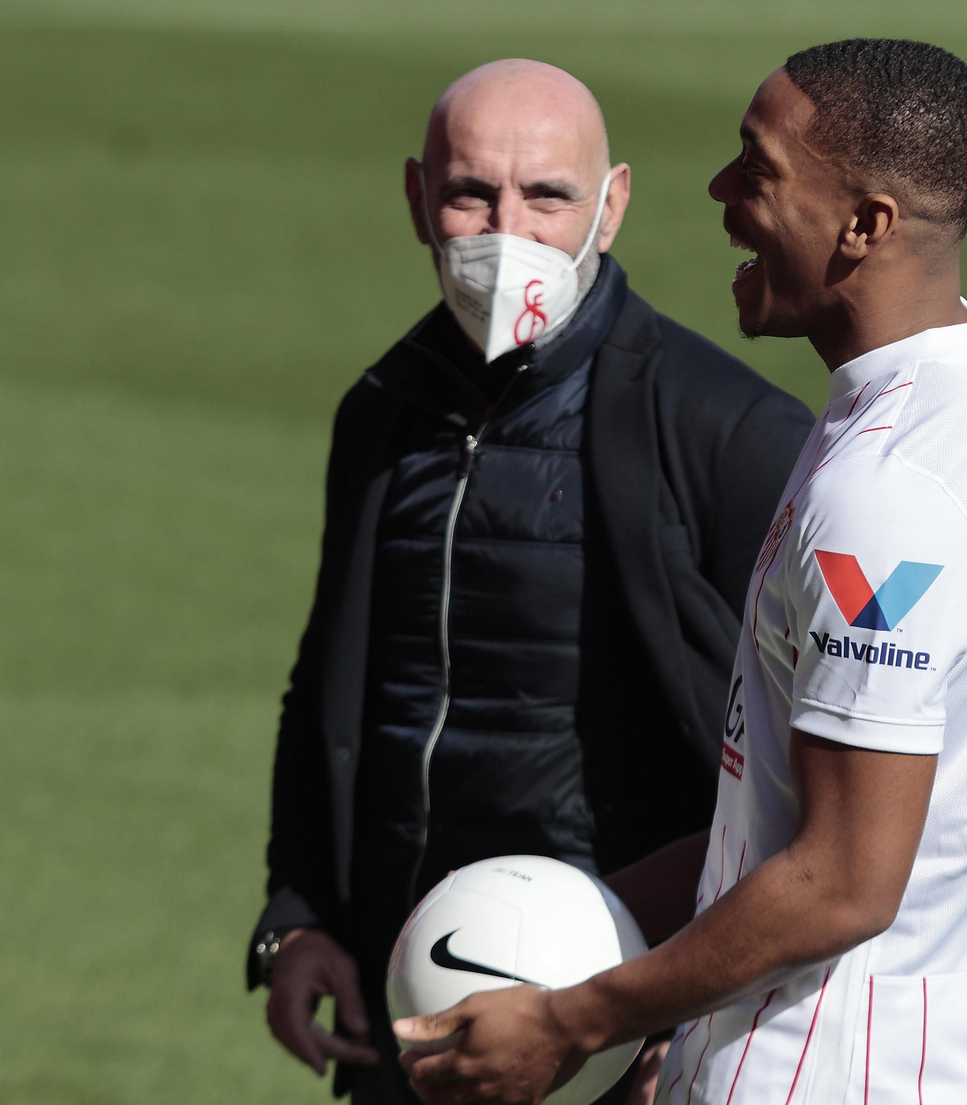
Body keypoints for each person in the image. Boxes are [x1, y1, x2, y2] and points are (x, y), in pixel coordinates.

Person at [392, 38, 967, 1105]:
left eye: (756, 172)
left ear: (866, 222)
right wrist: (583, 933)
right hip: (937, 1053)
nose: (716, 194)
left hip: (820, 1072)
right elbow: (793, 807)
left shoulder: (884, 498)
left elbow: (843, 881)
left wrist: (577, 1019)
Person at [246, 59, 815, 1104]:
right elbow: (329, 688)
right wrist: (302, 912)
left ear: (612, 207)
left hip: (608, 1026)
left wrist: (664, 1013)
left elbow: (787, 784)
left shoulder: (731, 436)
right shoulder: (381, 411)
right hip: (408, 1007)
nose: (506, 230)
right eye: (471, 193)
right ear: (419, 201)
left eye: (546, 195)